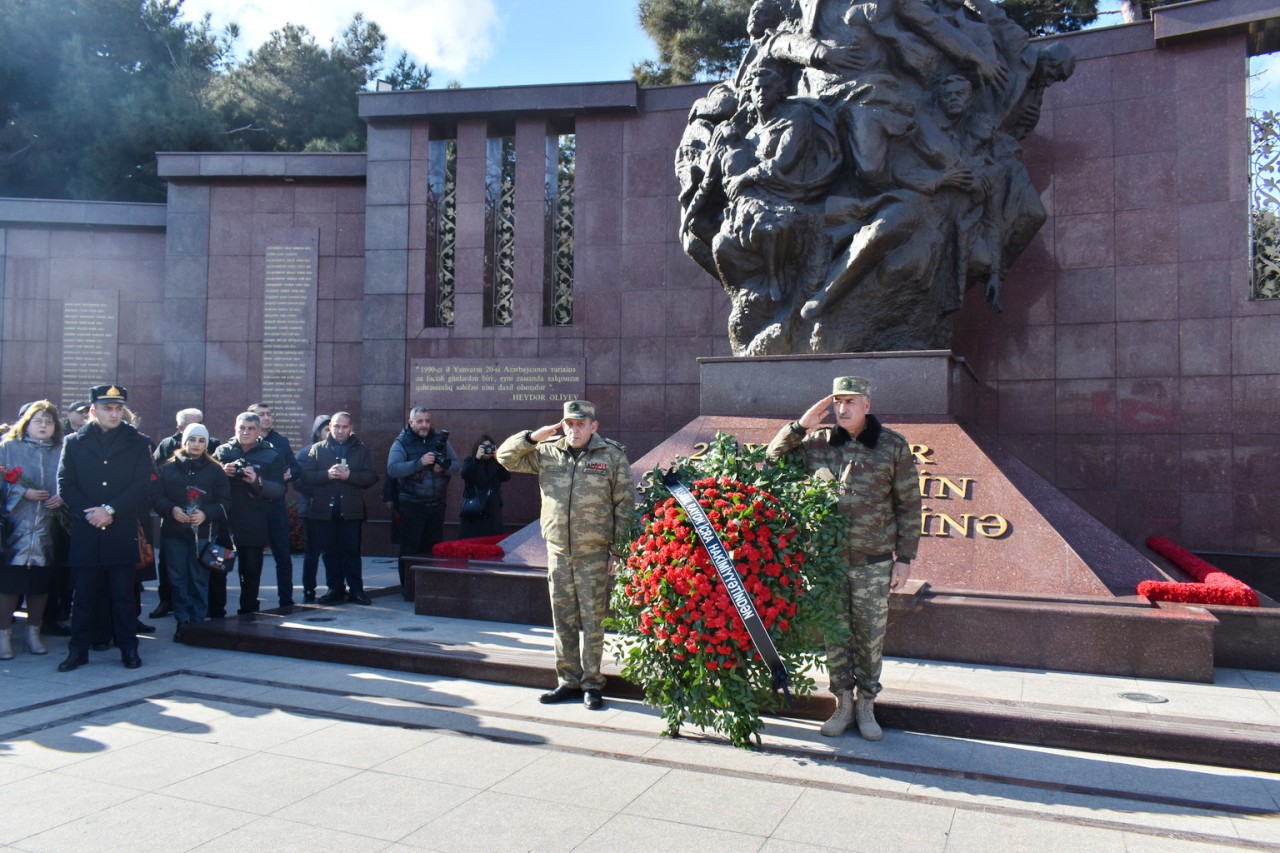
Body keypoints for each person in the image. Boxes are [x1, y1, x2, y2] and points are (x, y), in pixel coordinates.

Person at [766, 376, 921, 740]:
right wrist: (801, 425)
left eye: (851, 401)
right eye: (838, 402)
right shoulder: (818, 442)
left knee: (869, 635)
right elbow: (771, 460)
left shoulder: (891, 446)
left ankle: (866, 702)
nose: (842, 408)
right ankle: (842, 702)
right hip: (828, 560)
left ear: (867, 405)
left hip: (873, 560)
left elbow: (909, 505)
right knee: (835, 634)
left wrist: (905, 558)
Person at [497, 400, 633, 711]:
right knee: (563, 618)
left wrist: (619, 551)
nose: (574, 429)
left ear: (593, 426)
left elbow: (625, 505)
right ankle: (568, 680)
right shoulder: (547, 452)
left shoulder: (611, 455)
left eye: (580, 424)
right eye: (569, 423)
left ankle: (592, 684)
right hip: (558, 549)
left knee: (592, 618)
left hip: (594, 551)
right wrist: (532, 438)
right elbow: (504, 458)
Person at [56, 385, 155, 672]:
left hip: (120, 527)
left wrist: (110, 510)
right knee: (83, 595)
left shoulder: (137, 441)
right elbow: (65, 484)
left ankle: (128, 649)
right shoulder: (74, 442)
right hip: (87, 528)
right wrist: (90, 513)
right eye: (107, 408)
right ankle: (78, 650)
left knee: (123, 595)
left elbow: (141, 483)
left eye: (117, 408)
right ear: (93, 411)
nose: (113, 413)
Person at [0, 401, 66, 658]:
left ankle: (33, 633)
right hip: (14, 528)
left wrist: (62, 496)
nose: (43, 426)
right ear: (26, 424)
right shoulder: (8, 448)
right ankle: (4, 634)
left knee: (40, 584)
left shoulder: (62, 451)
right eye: (38, 420)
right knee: (9, 583)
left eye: (48, 422)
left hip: (49, 528)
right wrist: (21, 492)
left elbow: (72, 481)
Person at [153, 423, 230, 641]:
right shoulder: (167, 468)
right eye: (192, 439)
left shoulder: (215, 470)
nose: (196, 444)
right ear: (185, 441)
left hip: (204, 534)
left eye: (201, 440)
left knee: (199, 579)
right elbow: (156, 497)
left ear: (206, 444)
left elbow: (225, 502)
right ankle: (182, 623)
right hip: (174, 533)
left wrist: (206, 513)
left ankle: (197, 624)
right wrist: (171, 509)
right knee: (177, 580)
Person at [211, 412, 286, 617]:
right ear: (235, 428)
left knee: (250, 572)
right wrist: (221, 472)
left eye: (251, 428)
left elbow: (279, 489)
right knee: (218, 571)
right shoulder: (222, 452)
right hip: (223, 523)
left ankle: (249, 610)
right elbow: (208, 485)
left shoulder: (271, 454)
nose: (245, 432)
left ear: (259, 430)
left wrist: (257, 481)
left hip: (254, 521)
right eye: (241, 428)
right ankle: (215, 612)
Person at [300, 412, 378, 605]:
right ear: (330, 427)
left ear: (351, 428)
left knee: (351, 552)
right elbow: (306, 477)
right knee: (330, 553)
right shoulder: (317, 449)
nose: (340, 430)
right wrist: (327, 475)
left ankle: (356, 590)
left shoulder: (361, 449)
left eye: (344, 427)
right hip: (324, 511)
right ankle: (334, 589)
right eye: (336, 426)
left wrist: (349, 476)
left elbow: (370, 477)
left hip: (351, 510)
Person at [386, 407, 457, 592]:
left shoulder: (439, 440)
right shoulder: (402, 442)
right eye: (419, 421)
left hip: (436, 505)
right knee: (410, 548)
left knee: (432, 548)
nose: (424, 425)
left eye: (427, 421)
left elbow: (456, 464)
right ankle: (409, 589)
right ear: (411, 423)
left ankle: (429, 589)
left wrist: (444, 468)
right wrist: (419, 463)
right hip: (412, 505)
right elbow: (393, 469)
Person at [249, 403, 301, 609]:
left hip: (276, 505)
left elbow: (295, 466)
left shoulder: (280, 441)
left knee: (283, 555)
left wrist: (292, 473)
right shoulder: (245, 442)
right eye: (261, 415)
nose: (267, 418)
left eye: (269, 414)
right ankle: (250, 601)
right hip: (252, 508)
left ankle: (286, 599)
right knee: (252, 558)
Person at [297, 415, 331, 603]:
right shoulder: (306, 453)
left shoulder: (340, 452)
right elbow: (301, 482)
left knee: (332, 550)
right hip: (312, 509)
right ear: (318, 433)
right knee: (313, 552)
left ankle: (335, 586)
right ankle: (309, 587)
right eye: (327, 429)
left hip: (333, 509)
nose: (331, 433)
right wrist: (326, 484)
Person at [458, 434, 511, 540]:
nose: (487, 450)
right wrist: (477, 459)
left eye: (490, 447)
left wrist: (498, 459)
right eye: (484, 447)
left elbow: (506, 477)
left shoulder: (496, 464)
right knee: (472, 541)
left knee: (492, 540)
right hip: (474, 509)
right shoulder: (471, 461)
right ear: (478, 448)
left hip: (492, 509)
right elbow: (465, 474)